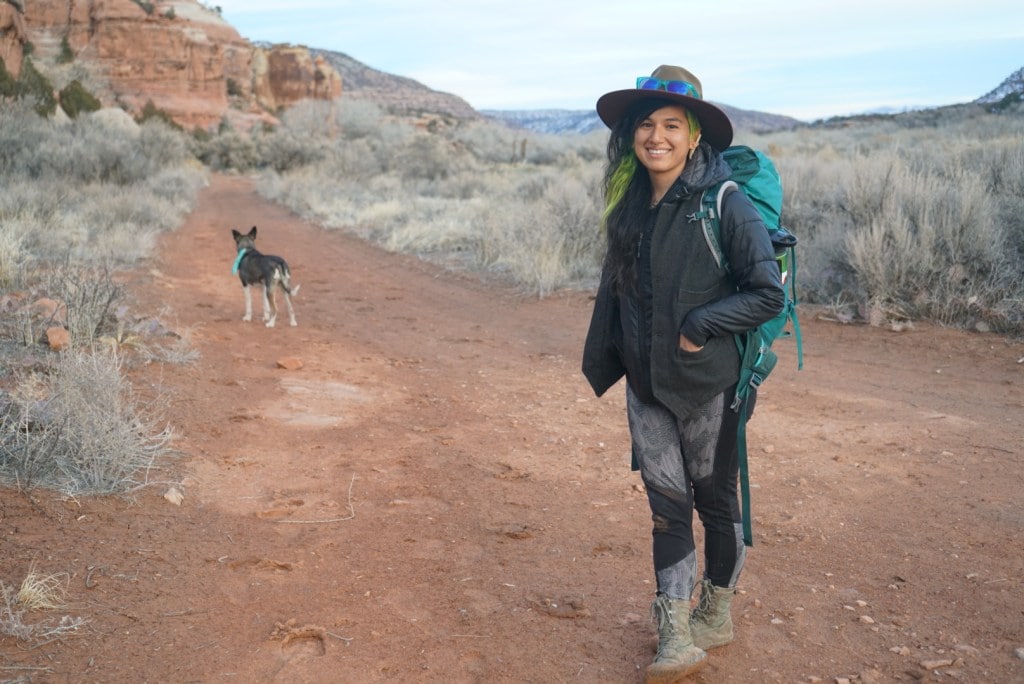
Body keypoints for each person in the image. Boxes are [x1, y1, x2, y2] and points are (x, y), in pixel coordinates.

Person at [582, 65, 785, 682]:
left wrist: (700, 324)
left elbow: (766, 293)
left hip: (710, 386)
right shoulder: (629, 205)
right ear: (631, 136)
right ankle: (674, 633)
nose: (657, 136)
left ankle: (715, 613)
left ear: (695, 135)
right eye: (646, 124)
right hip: (647, 387)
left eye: (672, 125)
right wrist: (612, 352)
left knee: (715, 505)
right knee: (668, 510)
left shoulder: (725, 202)